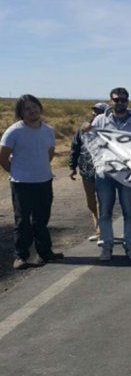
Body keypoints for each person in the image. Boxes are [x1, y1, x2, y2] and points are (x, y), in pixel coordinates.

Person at [1, 95, 63, 269]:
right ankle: (21, 256)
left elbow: (49, 153)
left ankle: (45, 253)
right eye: (27, 109)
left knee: (42, 219)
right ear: (21, 113)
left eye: (34, 107)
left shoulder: (48, 130)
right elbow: (3, 157)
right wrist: (15, 172)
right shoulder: (14, 131)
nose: (32, 111)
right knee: (23, 221)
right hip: (22, 183)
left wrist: (40, 169)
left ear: (40, 108)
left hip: (44, 180)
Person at [89, 87, 131, 261]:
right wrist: (85, 128)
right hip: (105, 174)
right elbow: (91, 140)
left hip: (127, 173)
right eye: (116, 99)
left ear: (127, 101)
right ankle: (107, 246)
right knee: (105, 212)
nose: (120, 102)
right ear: (110, 101)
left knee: (129, 211)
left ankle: (130, 246)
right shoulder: (99, 120)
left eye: (123, 99)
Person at [69, 102, 107, 243]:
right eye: (94, 111)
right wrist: (72, 166)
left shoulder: (107, 130)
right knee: (91, 202)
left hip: (103, 171)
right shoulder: (83, 129)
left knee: (102, 201)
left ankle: (102, 232)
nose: (95, 114)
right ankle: (98, 229)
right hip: (86, 170)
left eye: (99, 112)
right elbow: (75, 147)